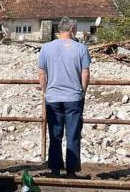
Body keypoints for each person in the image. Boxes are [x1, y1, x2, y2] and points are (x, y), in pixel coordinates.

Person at [38, 17, 91, 177]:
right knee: (73, 134)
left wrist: (45, 91)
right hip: (73, 97)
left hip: (53, 97)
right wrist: (83, 91)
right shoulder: (81, 48)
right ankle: (71, 170)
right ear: (72, 29)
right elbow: (85, 74)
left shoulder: (46, 48)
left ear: (59, 30)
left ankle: (55, 168)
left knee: (55, 134)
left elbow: (41, 74)